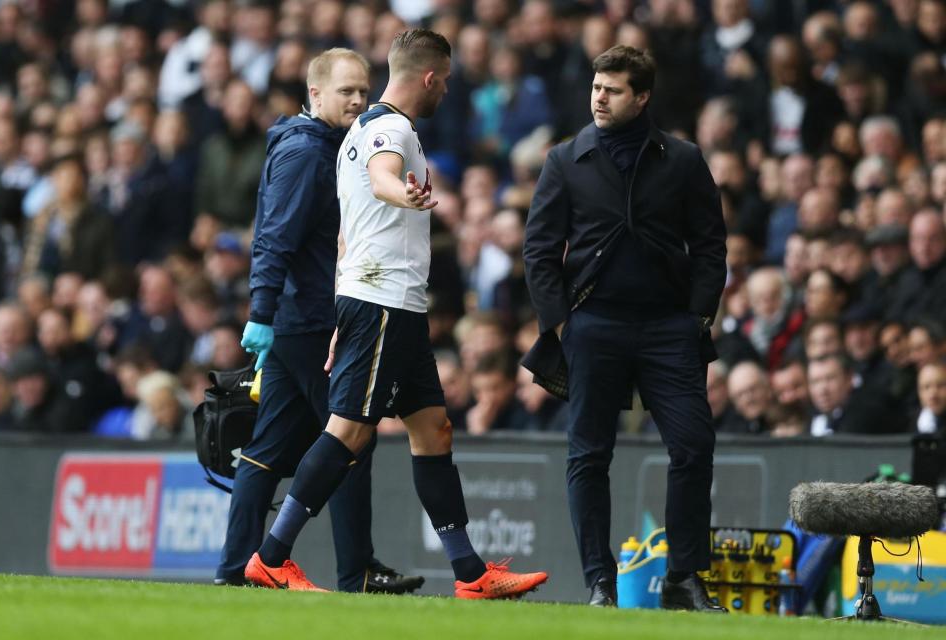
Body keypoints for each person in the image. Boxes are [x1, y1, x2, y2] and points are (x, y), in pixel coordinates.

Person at [242, 29, 548, 599]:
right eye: (447, 80)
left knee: (433, 428)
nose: (448, 89)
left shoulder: (358, 129)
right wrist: (402, 193)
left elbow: (345, 232)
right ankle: (271, 556)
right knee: (350, 433)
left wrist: (341, 308)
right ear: (429, 78)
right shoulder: (393, 128)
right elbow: (385, 176)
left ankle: (470, 573)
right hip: (382, 303)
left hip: (388, 305)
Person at [523, 45, 727, 611]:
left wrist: (699, 316)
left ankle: (684, 578)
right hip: (593, 324)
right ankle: (600, 581)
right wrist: (559, 323)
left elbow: (711, 244)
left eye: (612, 90)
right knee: (588, 454)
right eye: (595, 87)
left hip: (669, 328)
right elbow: (539, 250)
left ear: (641, 97)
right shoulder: (565, 159)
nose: (599, 98)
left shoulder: (683, 159)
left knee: (693, 445)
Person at [221, 48, 421, 595]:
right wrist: (261, 311)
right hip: (309, 319)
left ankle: (236, 567)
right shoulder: (309, 153)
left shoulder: (323, 145)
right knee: (353, 434)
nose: (358, 100)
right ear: (315, 94)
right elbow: (274, 237)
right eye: (346, 92)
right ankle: (357, 571)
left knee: (268, 449)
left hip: (299, 318)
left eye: (363, 90)